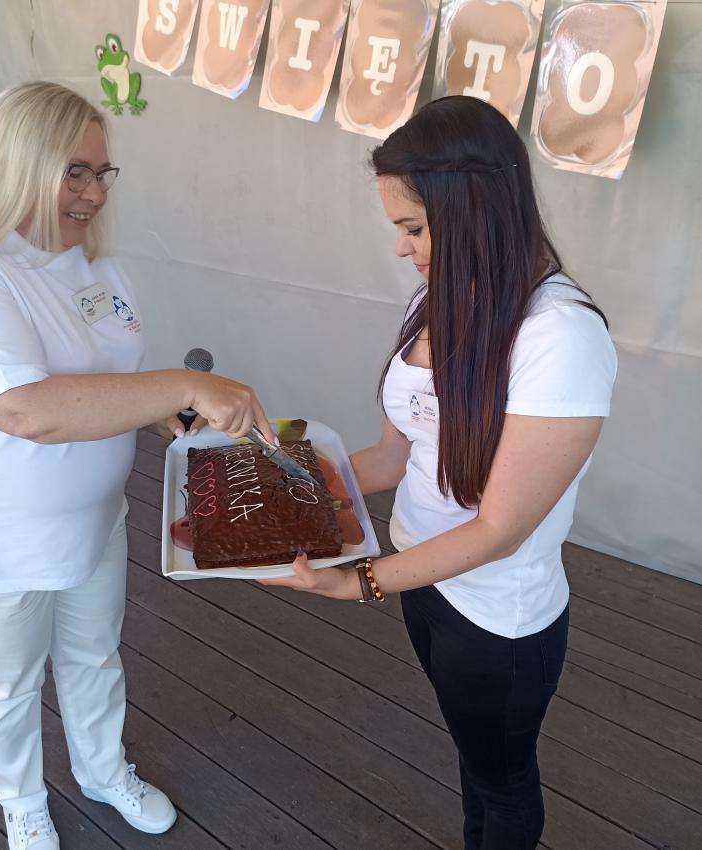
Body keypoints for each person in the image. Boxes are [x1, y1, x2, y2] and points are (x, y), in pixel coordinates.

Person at [0, 81, 273, 850]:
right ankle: (22, 804)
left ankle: (102, 772)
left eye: (102, 173)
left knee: (94, 657)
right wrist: (185, 385)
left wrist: (168, 411)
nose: (95, 194)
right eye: (74, 172)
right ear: (18, 162)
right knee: (5, 687)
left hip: (95, 522)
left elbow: (111, 381)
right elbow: (23, 409)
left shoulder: (91, 265)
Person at [262, 96, 617, 850]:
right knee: (473, 759)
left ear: (477, 209)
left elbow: (498, 529)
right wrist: (282, 480)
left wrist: (355, 582)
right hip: (421, 579)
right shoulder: (437, 299)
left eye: (415, 228)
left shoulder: (560, 336)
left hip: (495, 616)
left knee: (503, 781)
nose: (401, 248)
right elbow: (395, 456)